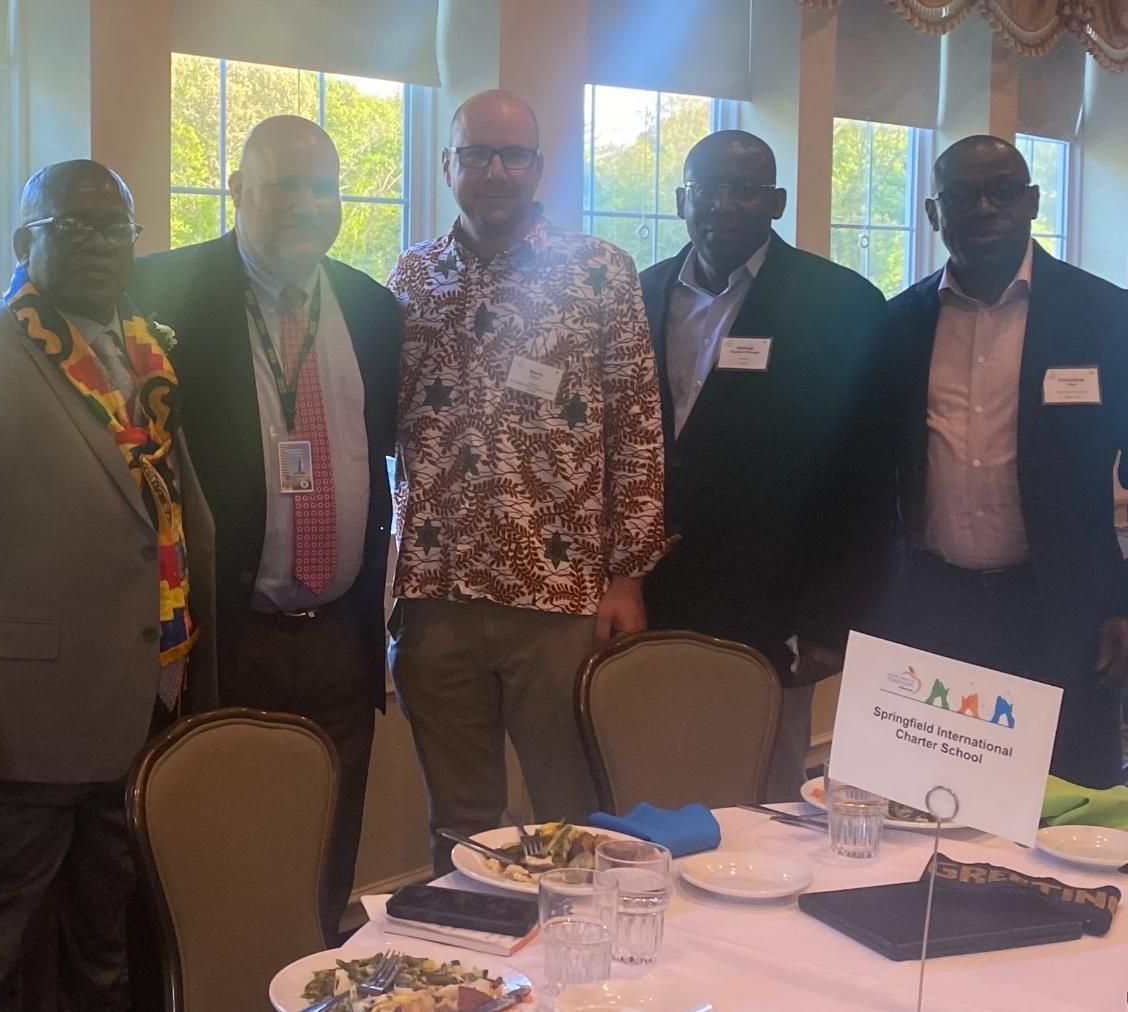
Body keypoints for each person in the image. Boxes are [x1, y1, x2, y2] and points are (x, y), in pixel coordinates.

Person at [0, 160, 217, 1010]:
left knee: (101, 949)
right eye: (73, 225)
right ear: (23, 240)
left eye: (116, 227)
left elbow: (158, 528)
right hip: (9, 740)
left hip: (139, 716)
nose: (100, 242)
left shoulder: (146, 354)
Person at [130, 115, 401, 939]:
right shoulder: (157, 294)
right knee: (214, 848)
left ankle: (315, 980)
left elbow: (382, 453)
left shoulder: (372, 307)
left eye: (324, 187)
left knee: (327, 842)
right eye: (284, 183)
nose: (307, 204)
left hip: (341, 639)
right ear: (237, 189)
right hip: (222, 632)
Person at [388, 90, 669, 869]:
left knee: (573, 816)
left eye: (513, 154)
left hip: (561, 596)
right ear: (448, 165)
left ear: (539, 167)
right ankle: (473, 966)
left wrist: (628, 576)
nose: (496, 170)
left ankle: (579, 983)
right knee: (459, 821)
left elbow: (638, 430)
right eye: (476, 153)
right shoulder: (412, 279)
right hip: (436, 594)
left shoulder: (599, 273)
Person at [637, 130, 894, 801]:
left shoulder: (842, 306)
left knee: (763, 799)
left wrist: (831, 621)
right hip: (654, 600)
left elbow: (866, 480)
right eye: (706, 189)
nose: (722, 204)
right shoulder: (639, 295)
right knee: (652, 781)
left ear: (776, 201)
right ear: (679, 200)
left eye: (744, 189)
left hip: (774, 608)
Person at [875, 135, 1128, 788]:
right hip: (934, 608)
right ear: (934, 214)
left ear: (1033, 202)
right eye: (960, 196)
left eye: (1002, 191)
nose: (983, 208)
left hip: (1061, 609)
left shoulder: (1106, 315)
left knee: (1061, 806)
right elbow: (872, 475)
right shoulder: (898, 324)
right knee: (932, 803)